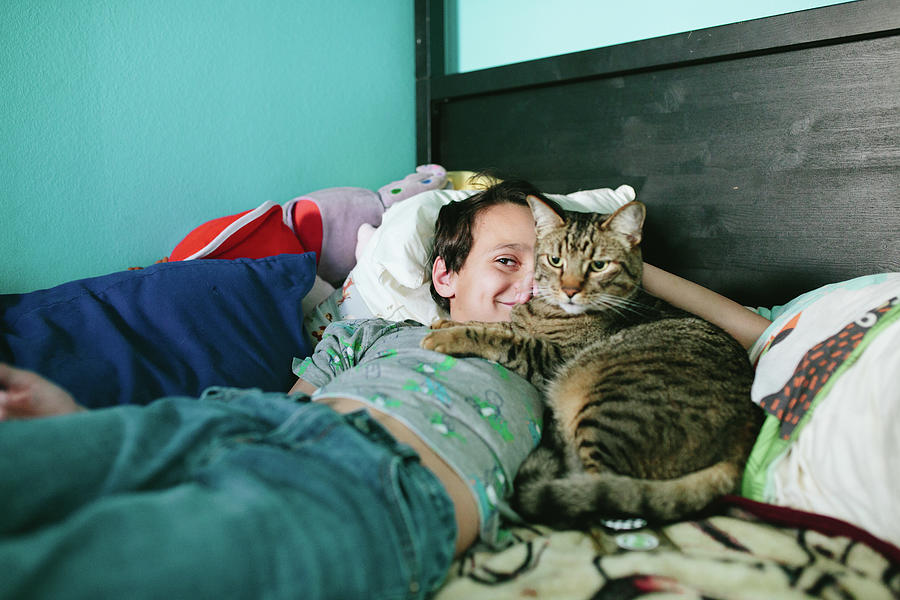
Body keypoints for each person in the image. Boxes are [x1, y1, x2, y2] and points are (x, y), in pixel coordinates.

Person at [0, 180, 770, 599]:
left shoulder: (555, 353)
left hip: (381, 477)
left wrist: (614, 251)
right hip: (243, 424)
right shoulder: (370, 329)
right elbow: (293, 404)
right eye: (510, 261)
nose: (541, 280)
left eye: (540, 261)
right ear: (443, 275)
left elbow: (722, 323)